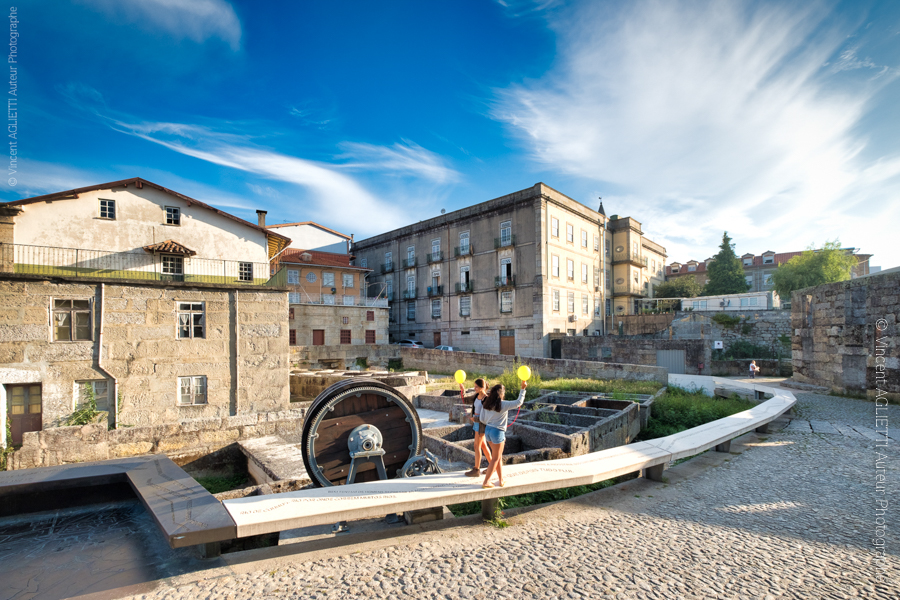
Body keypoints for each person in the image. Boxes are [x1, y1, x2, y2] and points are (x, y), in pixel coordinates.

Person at [479, 380, 527, 489]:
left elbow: (482, 419)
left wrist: (491, 420)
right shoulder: (502, 404)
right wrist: (523, 389)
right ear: (501, 394)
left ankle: (500, 480)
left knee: (498, 457)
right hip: (498, 432)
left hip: (488, 431)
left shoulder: (486, 404)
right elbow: (519, 402)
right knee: (495, 458)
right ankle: (486, 481)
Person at [458, 378, 492, 477]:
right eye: (474, 386)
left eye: (476, 386)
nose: (474, 388)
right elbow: (465, 400)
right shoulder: (476, 396)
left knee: (477, 446)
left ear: (482, 387)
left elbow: (486, 415)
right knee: (483, 446)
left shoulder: (486, 399)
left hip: (481, 425)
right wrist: (462, 391)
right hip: (477, 424)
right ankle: (492, 466)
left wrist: (475, 419)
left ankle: (476, 469)